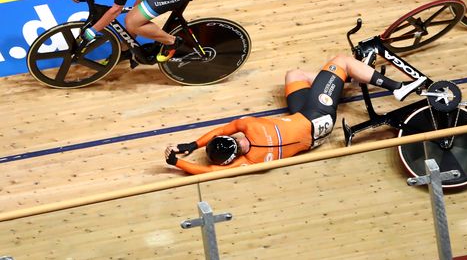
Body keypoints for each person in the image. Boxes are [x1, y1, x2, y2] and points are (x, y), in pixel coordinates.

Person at [164, 53, 427, 174]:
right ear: (237, 147)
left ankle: (344, 80)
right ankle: (399, 88)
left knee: (295, 75)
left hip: (311, 130)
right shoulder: (248, 126)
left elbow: (209, 172)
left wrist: (180, 160)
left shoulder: (251, 162)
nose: (239, 139)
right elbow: (221, 131)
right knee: (341, 60)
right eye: (238, 142)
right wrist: (190, 146)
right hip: (316, 113)